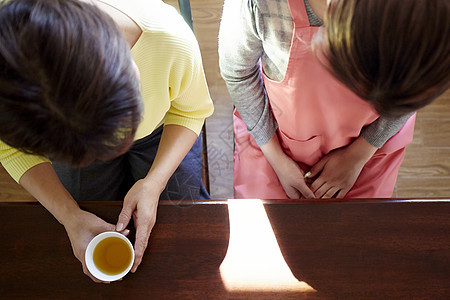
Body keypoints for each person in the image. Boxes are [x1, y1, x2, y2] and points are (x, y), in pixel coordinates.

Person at [0, 0, 214, 282]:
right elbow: (11, 150)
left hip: (163, 129)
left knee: (187, 225)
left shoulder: (171, 39)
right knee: (86, 210)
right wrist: (70, 216)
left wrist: (154, 182)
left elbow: (190, 110)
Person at [219, 0, 449, 199]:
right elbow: (238, 72)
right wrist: (277, 159)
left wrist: (359, 154)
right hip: (272, 140)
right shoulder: (257, 7)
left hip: (370, 146)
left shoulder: (427, 24)